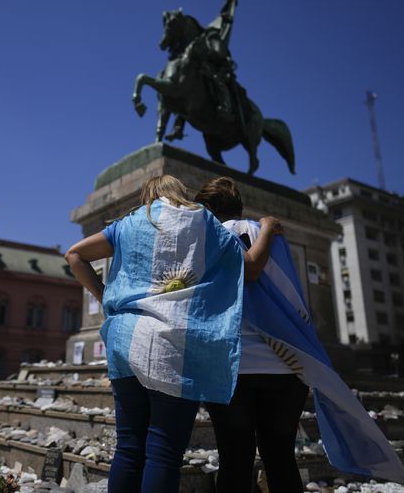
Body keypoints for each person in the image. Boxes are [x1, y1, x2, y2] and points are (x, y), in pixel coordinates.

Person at [64, 175, 282, 493]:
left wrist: (106, 297)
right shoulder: (202, 220)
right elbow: (250, 268)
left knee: (128, 446)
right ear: (181, 192)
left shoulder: (128, 223)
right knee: (163, 452)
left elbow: (74, 255)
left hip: (126, 339)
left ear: (148, 196)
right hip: (175, 345)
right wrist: (268, 229)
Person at [194, 176, 404, 492]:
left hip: (233, 366)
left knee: (235, 459)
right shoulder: (271, 236)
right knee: (281, 458)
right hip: (286, 364)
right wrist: (268, 227)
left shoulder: (211, 238)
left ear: (209, 209)